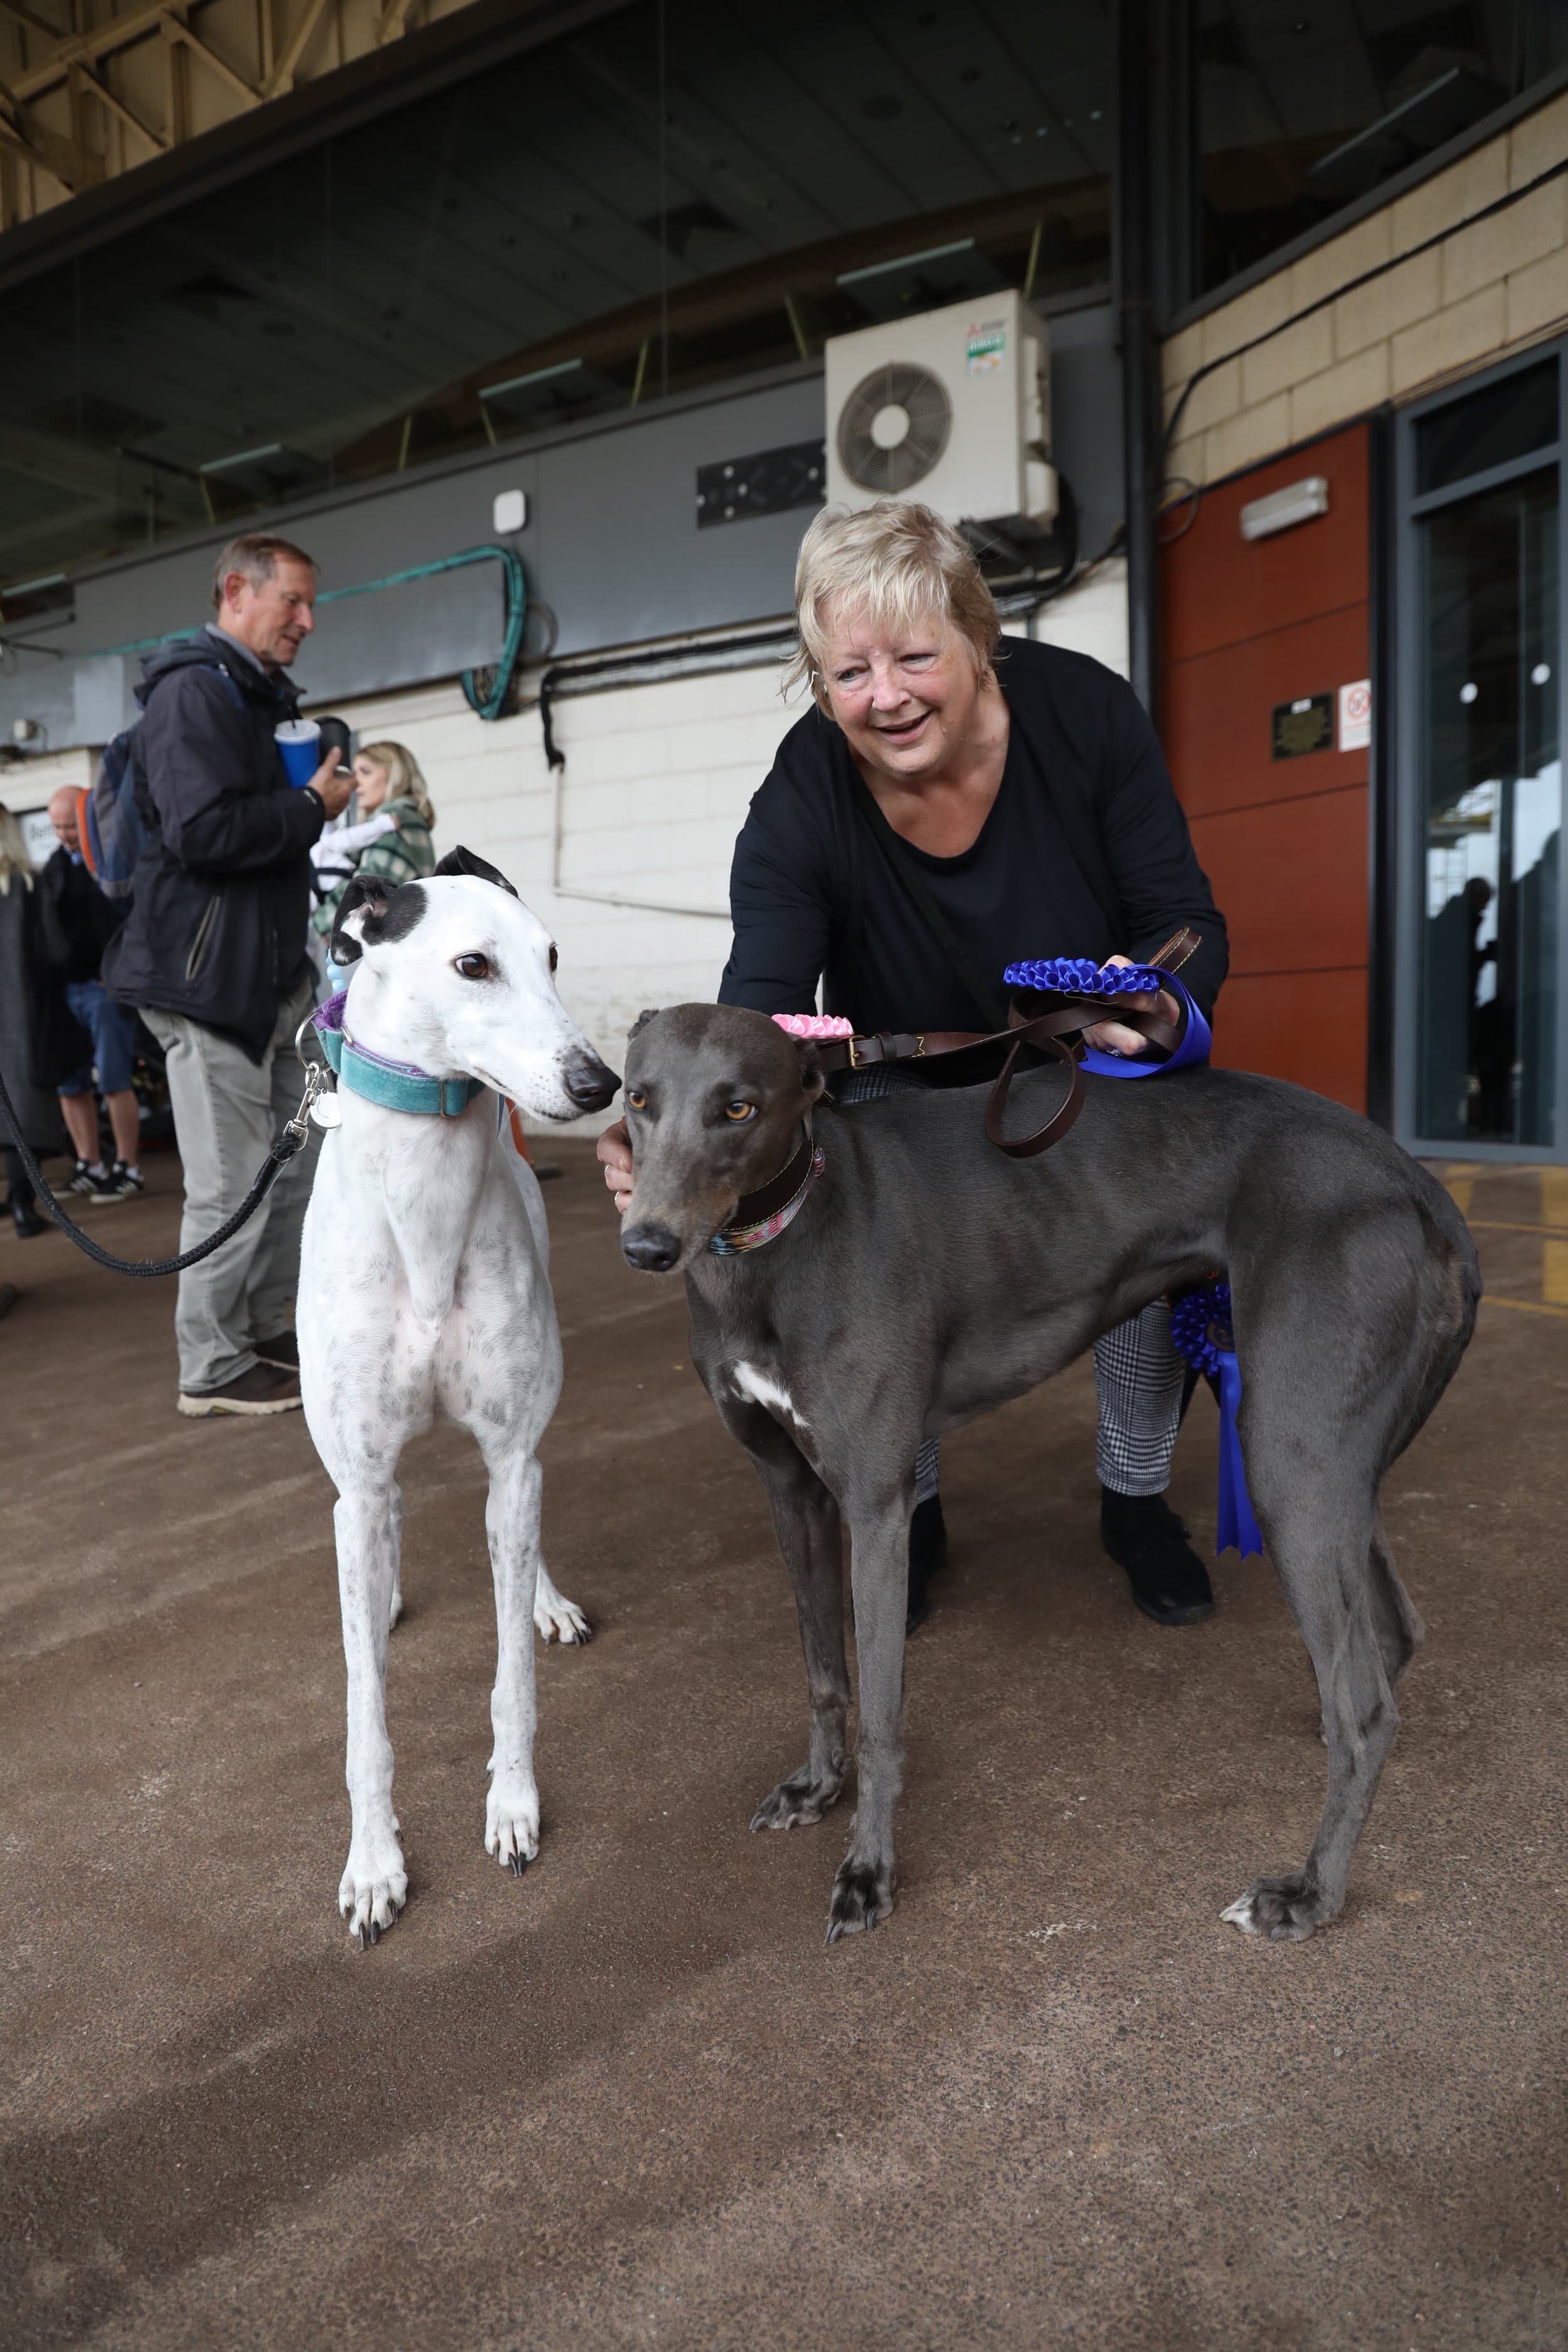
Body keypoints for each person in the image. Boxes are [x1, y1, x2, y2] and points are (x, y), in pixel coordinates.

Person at [598, 500, 1229, 1632]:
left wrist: (1159, 1004)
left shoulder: (1084, 711)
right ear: (816, 677)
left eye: (914, 657)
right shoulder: (802, 796)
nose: (883, 695)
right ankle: (912, 1501)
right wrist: (687, 1130)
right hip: (897, 1090)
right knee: (856, 1240)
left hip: (1082, 1063)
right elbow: (768, 1012)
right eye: (848, 671)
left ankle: (1136, 1501)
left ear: (977, 638)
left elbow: (1183, 915)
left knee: (1147, 1233)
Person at [101, 531, 354, 1417]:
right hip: (205, 980)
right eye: (293, 602)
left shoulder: (246, 697)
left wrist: (302, 803)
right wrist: (306, 806)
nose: (307, 621)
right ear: (237, 592)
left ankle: (253, 1327)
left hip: (268, 973)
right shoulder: (192, 696)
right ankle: (208, 1362)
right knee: (230, 1173)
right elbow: (202, 833)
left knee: (293, 1156)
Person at [34, 785, 143, 1202]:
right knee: (70, 1081)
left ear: (89, 820)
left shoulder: (114, 863)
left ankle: (128, 1166)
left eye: (70, 826)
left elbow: (128, 924)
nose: (64, 834)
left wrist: (116, 975)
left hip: (105, 990)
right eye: (58, 827)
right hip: (65, 991)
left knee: (115, 1077)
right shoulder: (54, 868)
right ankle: (89, 1163)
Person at [0, 804, 67, 1239]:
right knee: (21, 1114)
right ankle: (23, 1205)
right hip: (20, 1017)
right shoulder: (27, 884)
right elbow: (56, 951)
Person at [311, 741, 438, 951]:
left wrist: (321, 920)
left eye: (365, 772)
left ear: (394, 776)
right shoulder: (408, 819)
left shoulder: (392, 820)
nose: (354, 783)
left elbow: (366, 887)